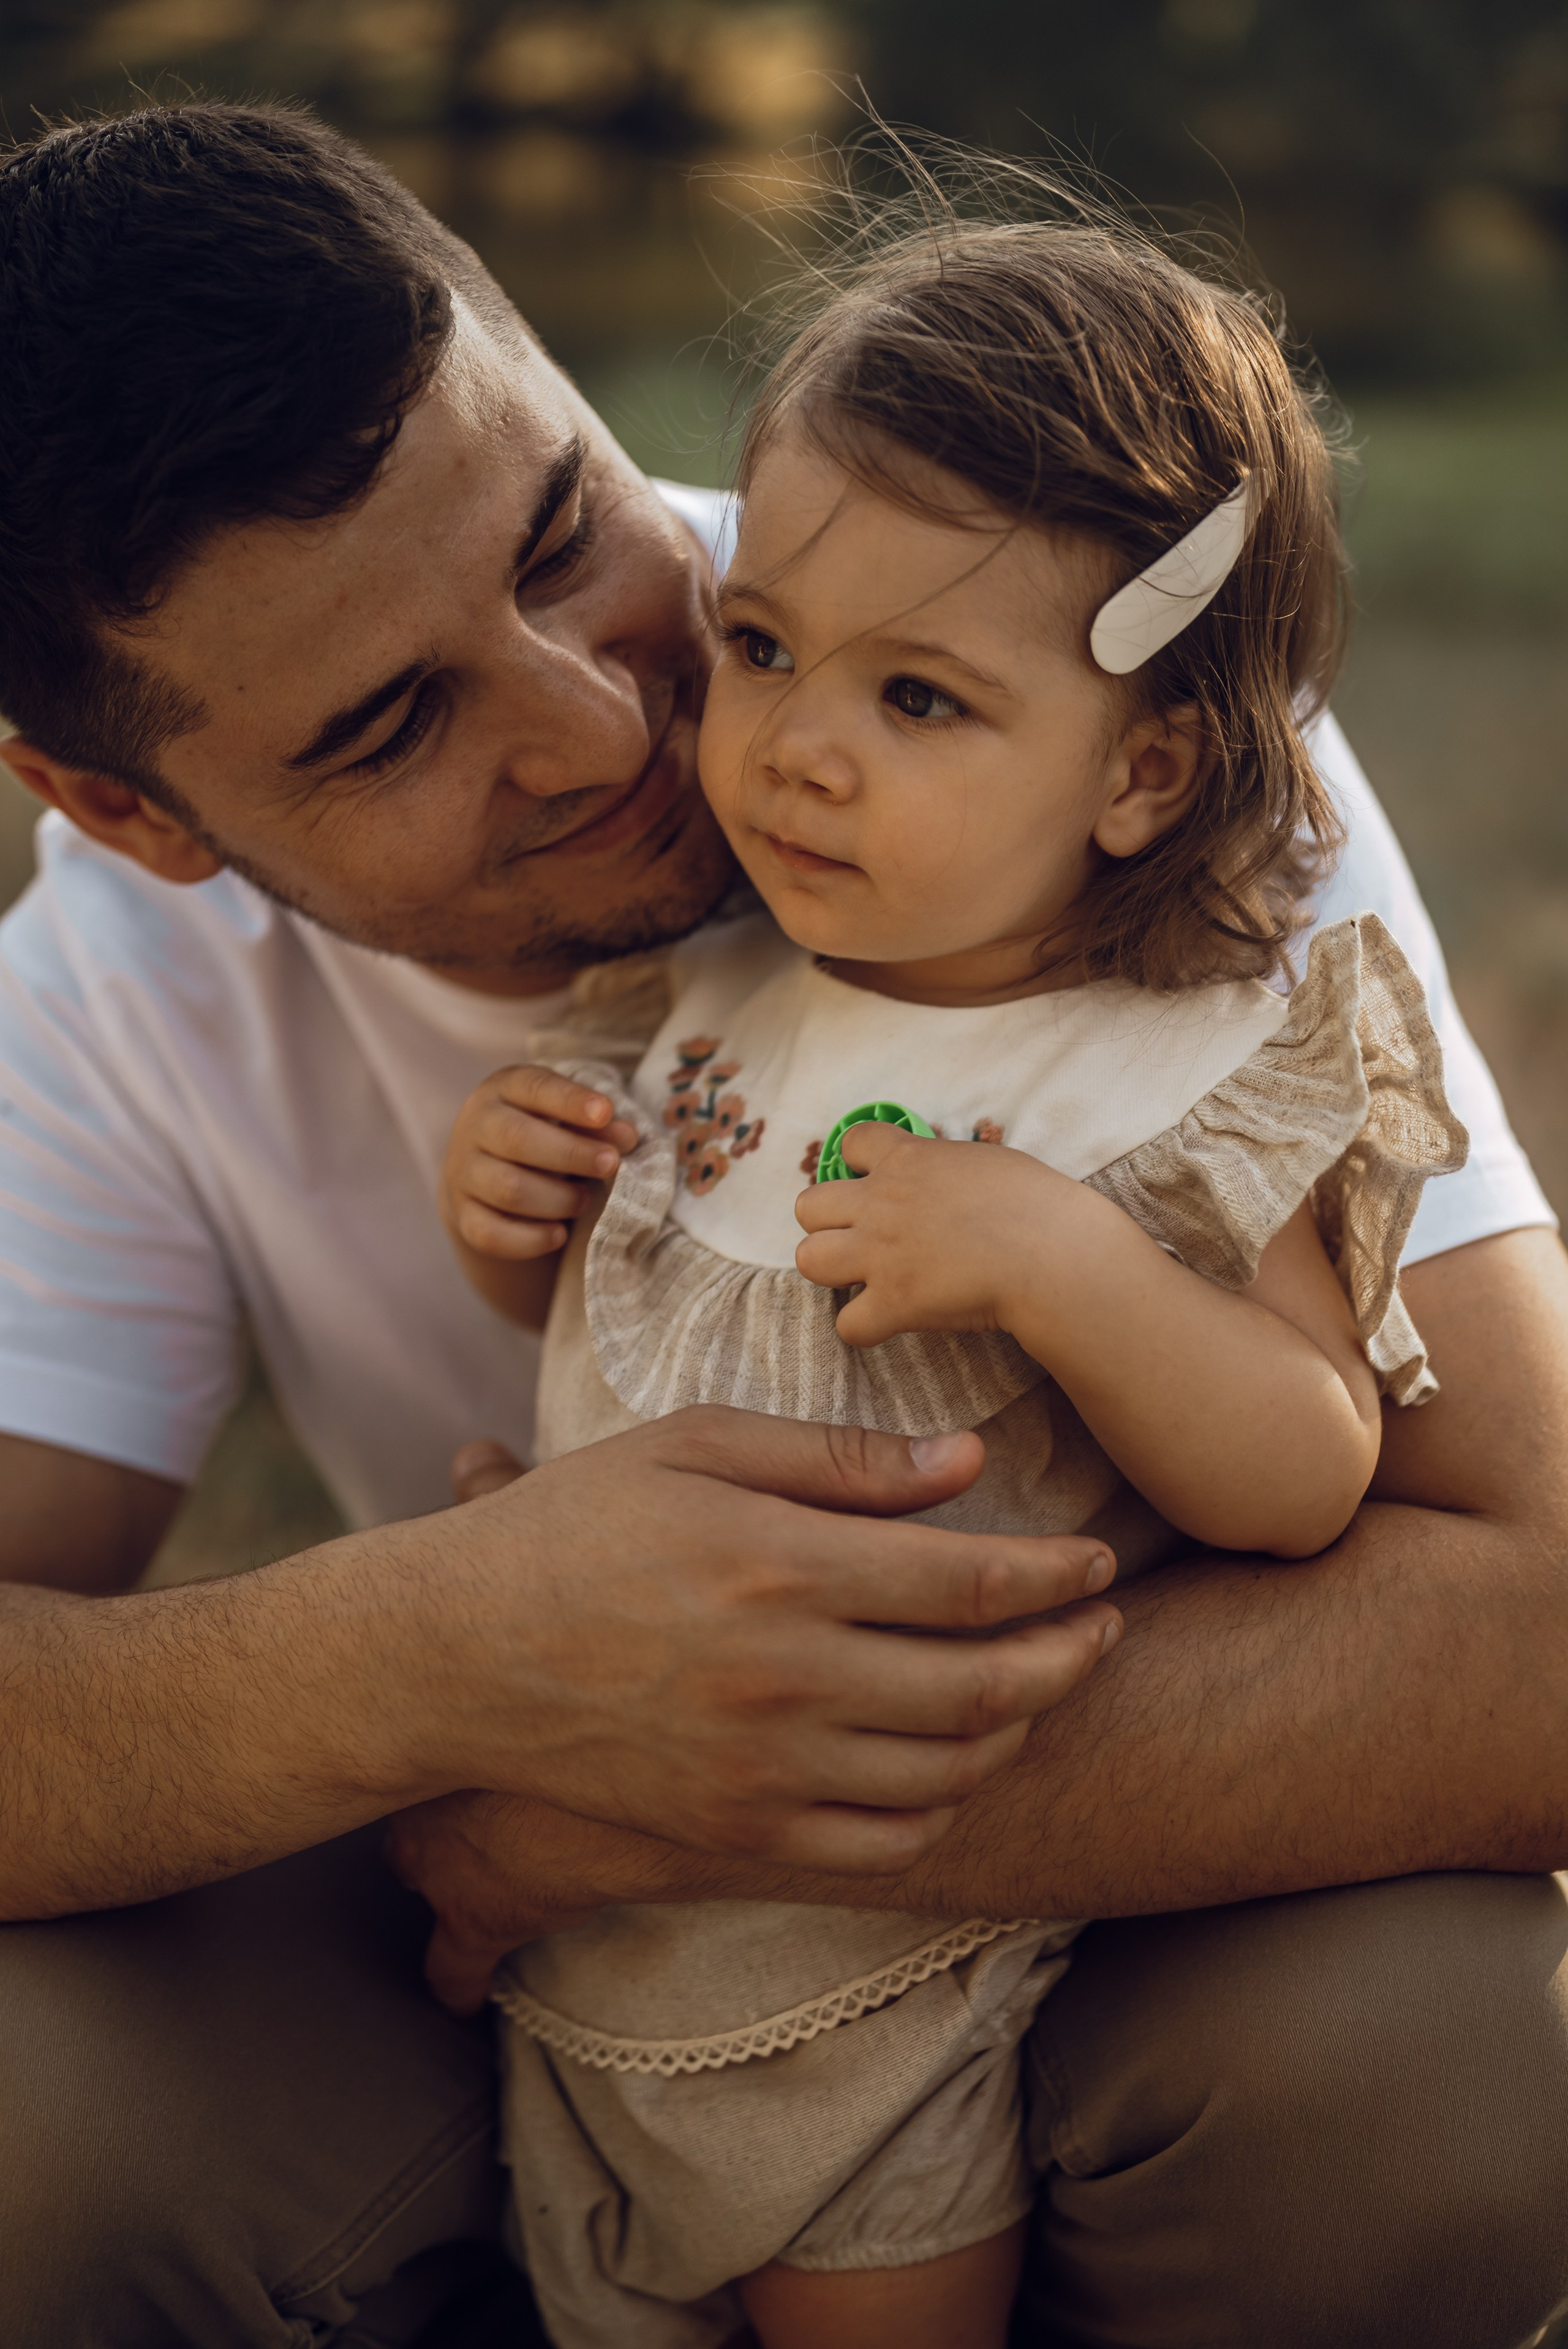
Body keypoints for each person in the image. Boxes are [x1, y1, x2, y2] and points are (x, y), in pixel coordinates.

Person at [0, 97, 1563, 2349]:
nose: (606, 722)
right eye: (394, 723)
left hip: (1078, 1906)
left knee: (1441, 2062)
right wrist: (452, 1659)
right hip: (508, 1941)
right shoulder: (104, 994)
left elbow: (1539, 1636)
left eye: (565, 531)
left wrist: (659, 1789)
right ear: (124, 808)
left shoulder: (1069, 677)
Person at [437, 200, 1467, 2348]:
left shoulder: (1168, 1067)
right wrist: (511, 1213)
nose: (797, 746)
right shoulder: (710, 992)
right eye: (763, 647)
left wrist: (1068, 1266)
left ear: (1145, 768)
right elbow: (635, 1330)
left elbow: (1308, 1463)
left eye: (917, 696)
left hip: (889, 1976)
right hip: (597, 1943)